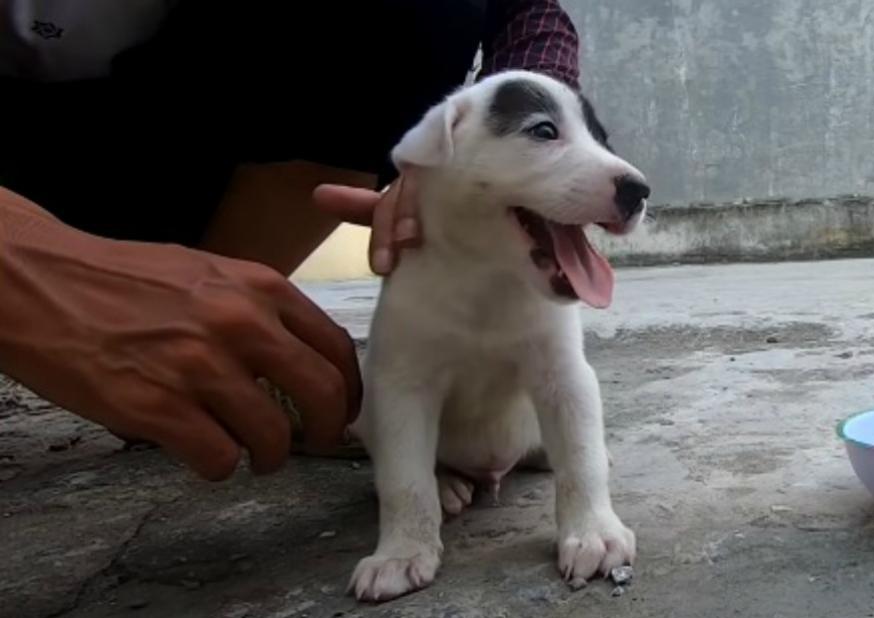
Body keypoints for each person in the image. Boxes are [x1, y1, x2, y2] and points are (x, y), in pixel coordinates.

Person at [0, 0, 581, 480]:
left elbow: (526, 14)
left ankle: (206, 354)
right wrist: (18, 260)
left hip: (177, 122)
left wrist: (522, 152)